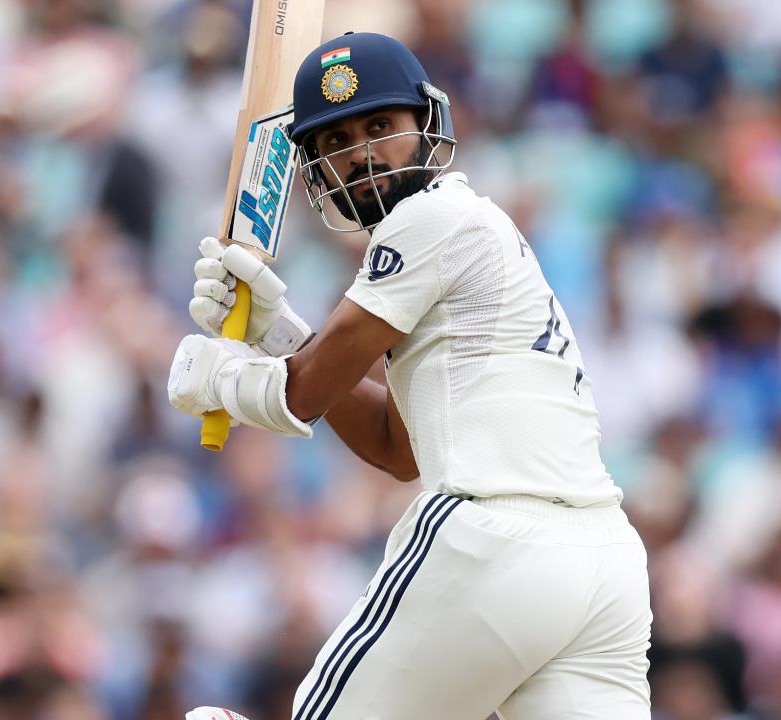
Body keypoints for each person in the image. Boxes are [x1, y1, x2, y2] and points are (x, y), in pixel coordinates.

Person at [167, 33, 652, 720]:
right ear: (314, 168)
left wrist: (222, 379)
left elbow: (302, 393)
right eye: (335, 141)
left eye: (378, 126)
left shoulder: (430, 218)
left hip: (496, 538)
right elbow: (396, 448)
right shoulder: (465, 228)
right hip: (604, 564)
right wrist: (279, 334)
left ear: (426, 124)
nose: (362, 153)